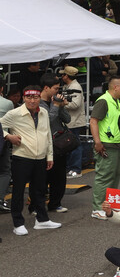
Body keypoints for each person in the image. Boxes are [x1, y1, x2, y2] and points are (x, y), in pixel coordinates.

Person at [1, 85, 59, 235]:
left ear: (40, 98)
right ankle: (18, 223)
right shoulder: (15, 113)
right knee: (19, 191)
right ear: (23, 98)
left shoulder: (44, 112)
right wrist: (8, 136)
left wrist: (49, 155)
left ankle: (42, 219)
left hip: (40, 157)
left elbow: (48, 135)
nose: (32, 100)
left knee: (39, 190)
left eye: (35, 97)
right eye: (28, 97)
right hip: (22, 157)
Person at [90, 75, 120, 220]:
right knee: (104, 176)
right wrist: (97, 142)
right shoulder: (104, 101)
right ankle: (98, 208)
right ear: (115, 87)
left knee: (114, 175)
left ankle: (110, 203)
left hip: (116, 143)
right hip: (105, 144)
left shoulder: (116, 101)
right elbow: (93, 121)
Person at [40, 73, 72, 213]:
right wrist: (55, 105)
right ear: (46, 88)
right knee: (42, 177)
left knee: (59, 176)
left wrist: (61, 106)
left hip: (59, 144)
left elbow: (68, 119)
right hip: (44, 145)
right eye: (55, 88)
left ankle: (55, 203)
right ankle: (37, 205)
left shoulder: (55, 101)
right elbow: (47, 121)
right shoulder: (38, 103)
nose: (57, 91)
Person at [59, 66, 87, 177]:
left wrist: (63, 104)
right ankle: (71, 167)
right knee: (70, 145)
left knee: (74, 145)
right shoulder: (68, 86)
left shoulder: (76, 87)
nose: (62, 76)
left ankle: (76, 169)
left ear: (67, 76)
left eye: (63, 74)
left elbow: (76, 104)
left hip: (74, 121)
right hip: (70, 121)